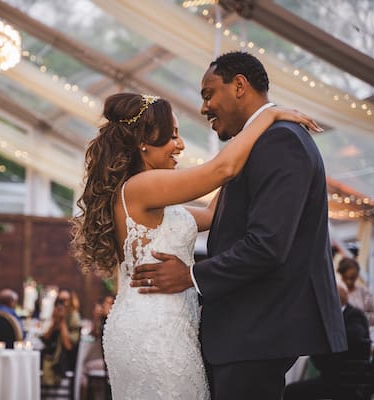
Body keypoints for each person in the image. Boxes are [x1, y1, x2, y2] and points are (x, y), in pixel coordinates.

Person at [70, 64, 324, 398]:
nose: (179, 145)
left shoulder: (151, 201)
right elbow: (222, 169)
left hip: (157, 326)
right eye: (172, 135)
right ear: (144, 143)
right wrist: (267, 117)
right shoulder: (143, 186)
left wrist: (254, 156)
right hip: (155, 333)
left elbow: (212, 211)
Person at [124, 51, 347, 400]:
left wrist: (191, 275)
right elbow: (221, 197)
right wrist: (268, 115)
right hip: (236, 334)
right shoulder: (260, 144)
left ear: (239, 86)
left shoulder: (280, 141)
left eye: (208, 94)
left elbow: (267, 244)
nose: (204, 107)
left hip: (256, 331)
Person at [283, 283, 372, 399]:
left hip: (349, 379)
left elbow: (355, 335)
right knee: (290, 389)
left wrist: (325, 334)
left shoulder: (354, 314)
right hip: (336, 377)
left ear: (334, 298)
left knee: (290, 392)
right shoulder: (335, 316)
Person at [41, 289, 82, 386]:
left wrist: (62, 321)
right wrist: (55, 322)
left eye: (65, 300)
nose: (63, 304)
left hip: (66, 360)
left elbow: (68, 346)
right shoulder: (53, 315)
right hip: (51, 356)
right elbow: (45, 339)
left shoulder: (74, 317)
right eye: (60, 300)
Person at [337, 257, 374, 327]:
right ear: (341, 275)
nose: (349, 281)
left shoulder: (363, 292)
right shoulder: (336, 291)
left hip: (359, 332)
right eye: (346, 278)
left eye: (352, 278)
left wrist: (361, 318)